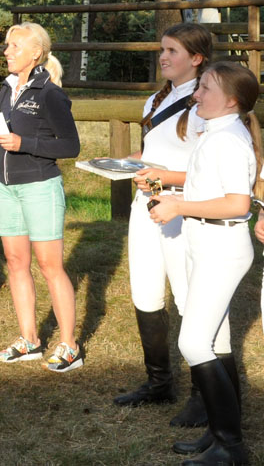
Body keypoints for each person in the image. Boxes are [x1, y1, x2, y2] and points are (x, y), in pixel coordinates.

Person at [151, 62, 261, 465]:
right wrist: (172, 191)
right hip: (206, 240)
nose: (196, 95)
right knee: (218, 342)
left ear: (231, 101)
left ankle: (231, 447)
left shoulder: (227, 139)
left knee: (194, 343)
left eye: (206, 89)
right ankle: (219, 435)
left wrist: (179, 207)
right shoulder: (216, 132)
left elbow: (237, 203)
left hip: (221, 246)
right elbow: (209, 187)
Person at [0, 22, 81, 372]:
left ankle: (69, 346)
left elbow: (70, 146)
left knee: (50, 267)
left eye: (14, 46)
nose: (6, 52)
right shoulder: (8, 88)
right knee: (15, 263)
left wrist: (23, 143)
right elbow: (6, 145)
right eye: (7, 46)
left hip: (40, 188)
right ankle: (29, 340)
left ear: (35, 53)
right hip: (7, 188)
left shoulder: (49, 93)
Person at [114, 24, 211, 418]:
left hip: (182, 208)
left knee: (188, 296)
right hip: (146, 202)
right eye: (162, 49)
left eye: (172, 51)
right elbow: (151, 152)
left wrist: (163, 177)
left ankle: (204, 394)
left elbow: (211, 174)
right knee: (145, 290)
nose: (163, 57)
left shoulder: (207, 103)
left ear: (197, 58)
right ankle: (159, 383)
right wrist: (126, 164)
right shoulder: (156, 99)